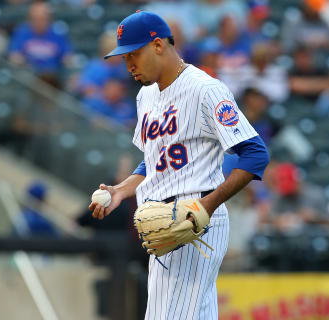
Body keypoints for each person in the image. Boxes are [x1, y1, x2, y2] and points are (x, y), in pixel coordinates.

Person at [88, 11, 269, 319]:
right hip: (164, 223)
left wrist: (206, 206)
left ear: (158, 45)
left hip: (192, 220)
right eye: (123, 57)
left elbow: (255, 153)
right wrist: (121, 190)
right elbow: (154, 160)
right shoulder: (145, 95)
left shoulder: (205, 89)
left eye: (133, 54)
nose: (128, 64)